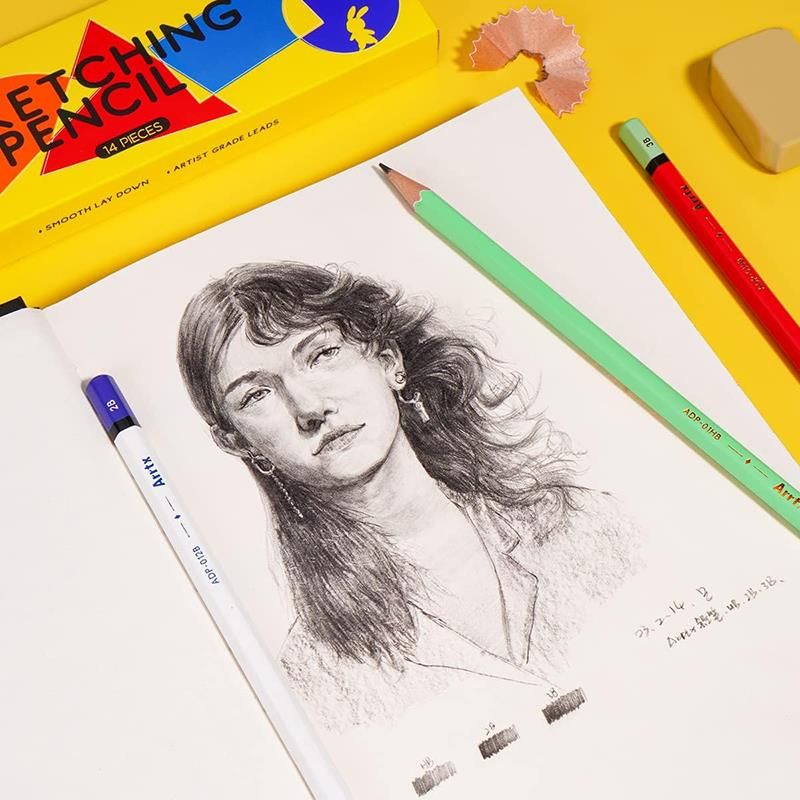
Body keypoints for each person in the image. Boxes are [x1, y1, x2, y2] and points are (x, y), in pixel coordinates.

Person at [177, 261, 640, 729]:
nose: (310, 408)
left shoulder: (582, 523)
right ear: (239, 443)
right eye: (256, 395)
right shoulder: (313, 674)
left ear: (388, 362)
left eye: (322, 354)